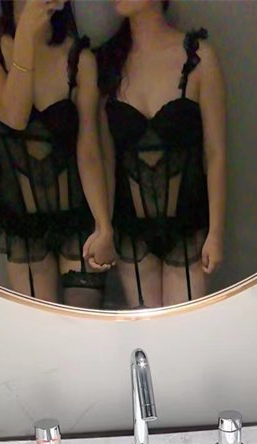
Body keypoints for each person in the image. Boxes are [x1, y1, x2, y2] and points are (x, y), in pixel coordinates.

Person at [0, 0, 115, 306]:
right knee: (40, 330)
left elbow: (89, 152)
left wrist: (104, 225)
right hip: (22, 224)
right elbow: (15, 115)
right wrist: (26, 34)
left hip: (77, 217)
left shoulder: (79, 58)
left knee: (85, 327)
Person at [96, 0, 226, 308]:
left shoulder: (199, 58)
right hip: (131, 229)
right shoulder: (107, 63)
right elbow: (105, 160)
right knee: (146, 330)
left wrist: (216, 232)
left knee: (185, 331)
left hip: (188, 225)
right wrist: (105, 228)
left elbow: (215, 154)